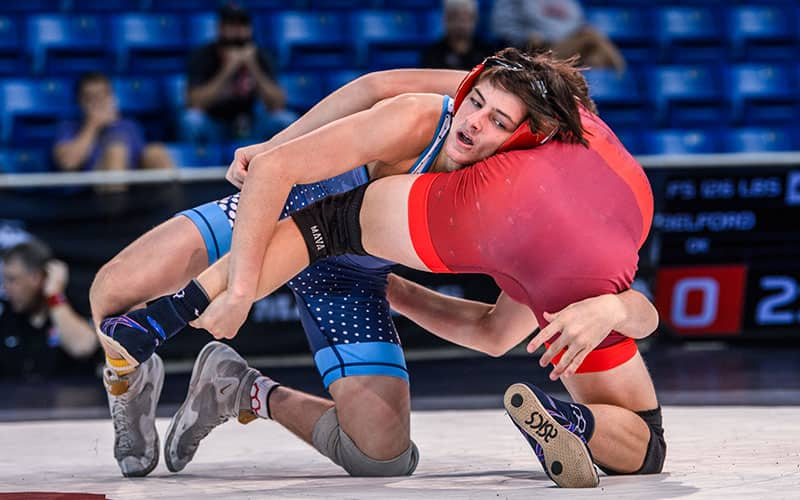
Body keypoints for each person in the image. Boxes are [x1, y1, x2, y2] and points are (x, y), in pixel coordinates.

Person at [97, 50, 663, 487]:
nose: (475, 124)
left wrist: (394, 288)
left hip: (350, 270)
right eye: (475, 105)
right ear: (466, 93)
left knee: (380, 458)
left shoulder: (512, 195)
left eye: (496, 121)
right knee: (112, 293)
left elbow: (495, 334)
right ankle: (132, 381)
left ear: (520, 138)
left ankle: (239, 389)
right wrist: (245, 278)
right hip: (280, 216)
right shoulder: (420, 119)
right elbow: (298, 154)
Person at [180, 4, 298, 144]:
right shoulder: (203, 56)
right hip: (215, 124)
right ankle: (197, 162)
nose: (237, 32)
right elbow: (194, 103)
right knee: (191, 121)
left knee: (285, 120)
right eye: (231, 25)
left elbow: (278, 103)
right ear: (220, 28)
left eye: (242, 25)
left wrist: (253, 67)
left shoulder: (260, 56)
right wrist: (228, 69)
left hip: (252, 124)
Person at [1, 239, 98, 379]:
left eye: (12, 280)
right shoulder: (7, 315)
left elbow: (82, 347)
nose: (6, 288)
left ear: (37, 277)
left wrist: (55, 297)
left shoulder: (72, 306)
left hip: (73, 399)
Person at [53, 72, 174, 175]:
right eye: (91, 98)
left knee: (156, 152)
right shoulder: (68, 127)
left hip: (133, 189)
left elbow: (142, 160)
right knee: (116, 152)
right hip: (92, 194)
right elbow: (68, 163)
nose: (98, 103)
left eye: (103, 96)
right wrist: (92, 126)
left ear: (112, 98)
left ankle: (171, 201)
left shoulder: (129, 125)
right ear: (79, 102)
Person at [491, 0, 626, 73]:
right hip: (535, 50)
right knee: (591, 37)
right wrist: (525, 37)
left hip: (567, 47)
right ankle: (621, 74)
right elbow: (500, 26)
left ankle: (605, 103)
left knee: (595, 54)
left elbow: (577, 24)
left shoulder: (568, 3)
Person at [422, 0, 498, 71]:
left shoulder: (488, 53)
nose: (461, 24)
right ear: (445, 19)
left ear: (475, 19)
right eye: (455, 17)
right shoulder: (433, 55)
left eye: (466, 18)